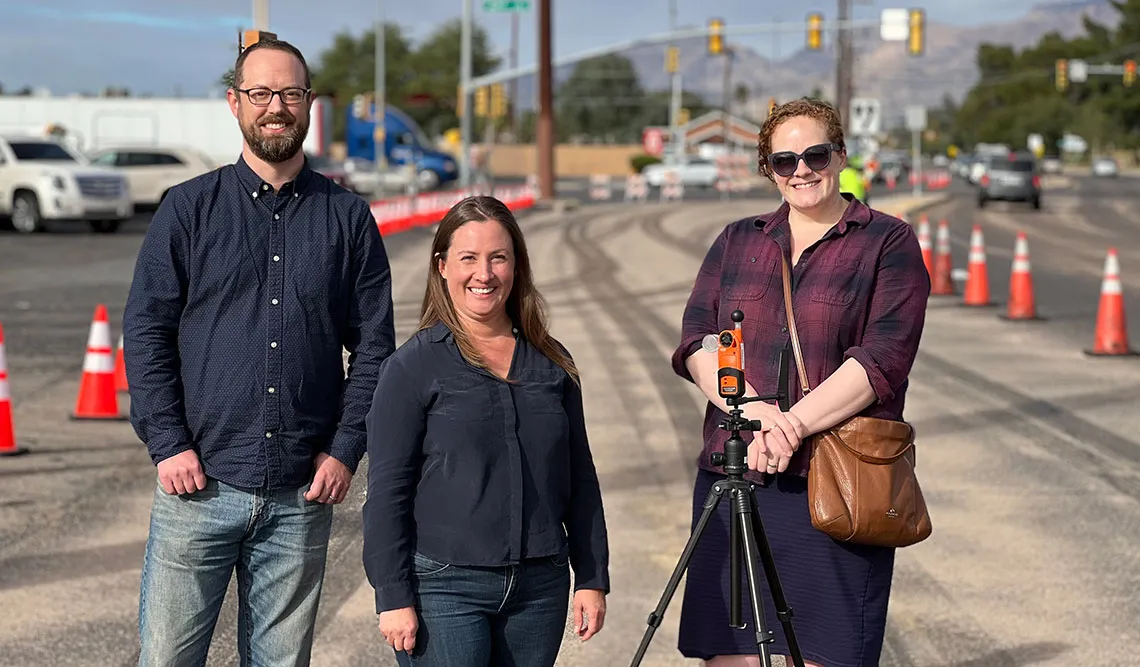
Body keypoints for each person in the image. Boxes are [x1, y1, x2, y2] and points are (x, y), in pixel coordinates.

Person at [123, 37, 395, 666]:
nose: (276, 106)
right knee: (166, 658)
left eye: (291, 93)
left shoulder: (348, 218)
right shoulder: (188, 210)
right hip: (198, 487)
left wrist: (345, 448)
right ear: (235, 102)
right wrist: (167, 441)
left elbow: (375, 347)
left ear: (309, 104)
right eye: (261, 93)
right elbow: (147, 330)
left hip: (302, 494)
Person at [669, 97, 930, 667]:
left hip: (835, 479)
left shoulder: (888, 243)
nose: (801, 170)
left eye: (814, 154)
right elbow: (697, 341)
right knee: (729, 657)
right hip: (737, 475)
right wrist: (756, 410)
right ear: (767, 168)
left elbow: (882, 360)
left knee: (819, 657)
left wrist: (792, 426)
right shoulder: (738, 240)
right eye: (783, 161)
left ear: (839, 155)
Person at [362, 195, 610, 667]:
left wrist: (593, 575)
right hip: (445, 587)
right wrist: (392, 596)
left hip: (541, 586)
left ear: (517, 266)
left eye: (498, 257)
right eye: (468, 258)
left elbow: (580, 476)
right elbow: (387, 492)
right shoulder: (411, 368)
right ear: (442, 267)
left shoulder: (552, 362)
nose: (485, 273)